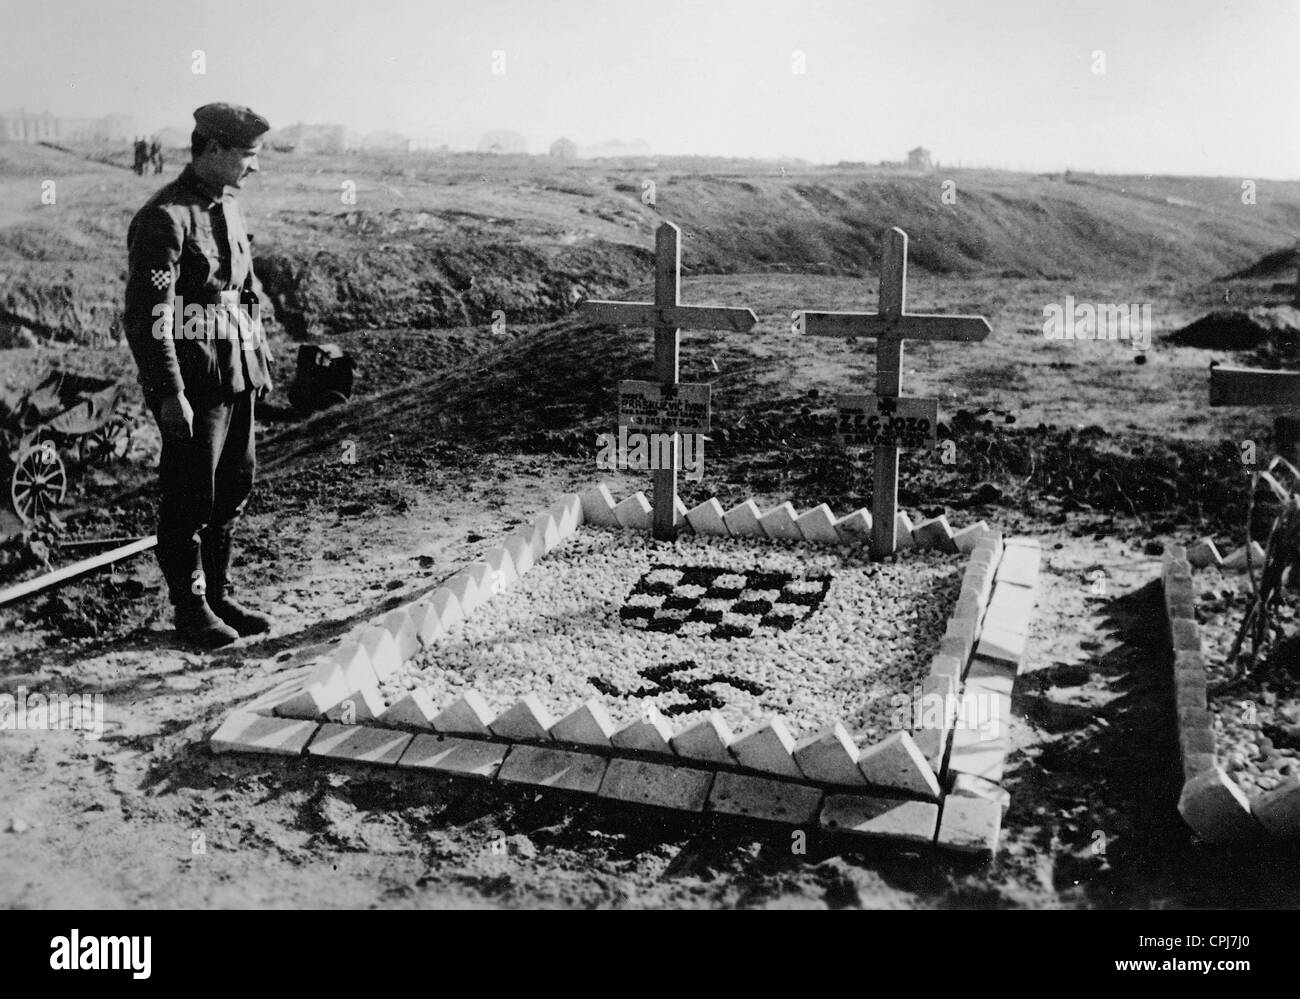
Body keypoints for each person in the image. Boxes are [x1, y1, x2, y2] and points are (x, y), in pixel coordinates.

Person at [122, 103, 276, 649]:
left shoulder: (229, 208)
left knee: (235, 485)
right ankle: (189, 608)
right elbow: (148, 317)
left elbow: (246, 291)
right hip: (195, 385)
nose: (255, 167)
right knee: (190, 496)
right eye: (248, 155)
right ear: (213, 150)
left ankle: (217, 592)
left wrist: (259, 358)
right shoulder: (165, 218)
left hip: (236, 374)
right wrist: (169, 394)